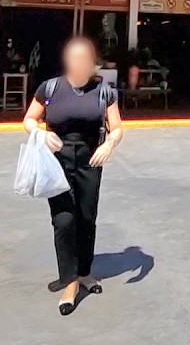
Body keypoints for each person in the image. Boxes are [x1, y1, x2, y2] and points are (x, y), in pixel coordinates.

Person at [21, 36, 124, 316]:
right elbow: (29, 119)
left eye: (85, 58)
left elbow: (117, 127)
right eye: (74, 57)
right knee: (64, 221)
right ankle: (70, 282)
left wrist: (109, 143)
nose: (79, 63)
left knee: (87, 218)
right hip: (57, 163)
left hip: (91, 161)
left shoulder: (105, 92)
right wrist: (40, 132)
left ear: (93, 63)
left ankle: (84, 272)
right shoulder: (51, 88)